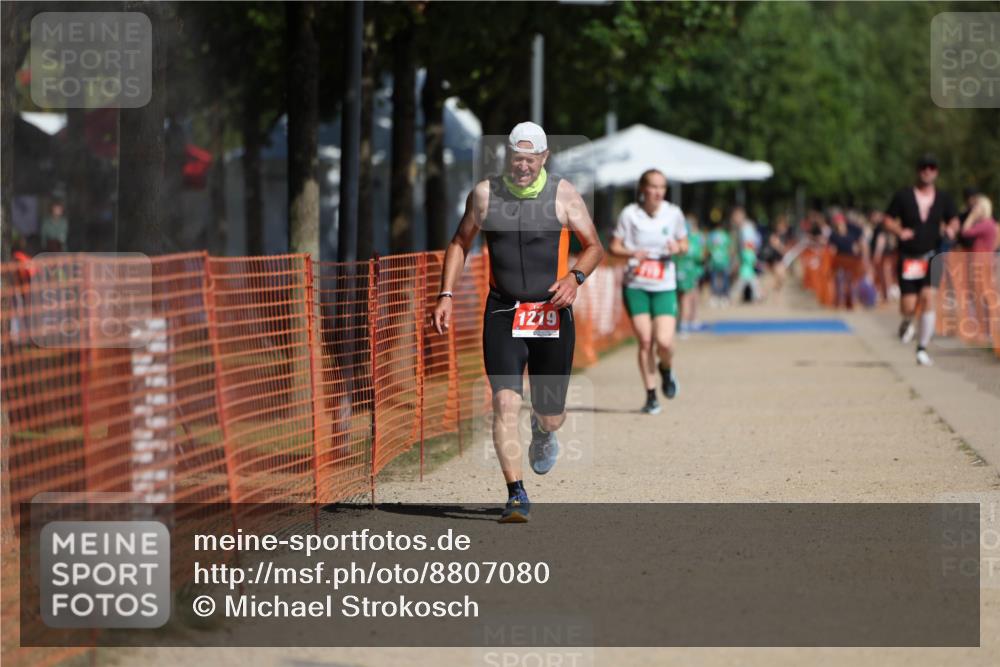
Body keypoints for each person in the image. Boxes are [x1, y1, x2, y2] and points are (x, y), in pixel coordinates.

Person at [432, 122, 604, 523]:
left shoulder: (563, 194)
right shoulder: (486, 195)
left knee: (551, 413)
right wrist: (445, 293)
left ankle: (543, 429)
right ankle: (516, 494)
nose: (523, 167)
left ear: (544, 157)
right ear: (507, 157)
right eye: (516, 159)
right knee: (503, 403)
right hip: (503, 311)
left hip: (550, 313)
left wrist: (574, 278)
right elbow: (460, 243)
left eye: (530, 159)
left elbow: (594, 246)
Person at [608, 169, 688, 415]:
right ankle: (651, 395)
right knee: (645, 340)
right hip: (636, 286)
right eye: (653, 187)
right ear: (643, 189)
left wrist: (677, 246)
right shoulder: (630, 215)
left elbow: (685, 245)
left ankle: (666, 368)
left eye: (662, 187)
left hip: (664, 286)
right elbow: (613, 247)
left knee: (664, 342)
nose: (657, 192)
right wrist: (632, 253)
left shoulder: (673, 214)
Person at [883, 154, 960, 366]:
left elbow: (953, 219)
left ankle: (922, 348)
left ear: (936, 172)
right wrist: (899, 231)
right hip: (909, 257)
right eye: (923, 167)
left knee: (928, 298)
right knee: (908, 306)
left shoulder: (944, 198)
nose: (927, 171)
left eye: (932, 167)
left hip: (933, 256)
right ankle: (907, 321)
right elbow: (887, 219)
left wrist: (953, 229)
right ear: (918, 170)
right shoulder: (903, 196)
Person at [677, 213, 707, 336]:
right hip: (687, 273)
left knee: (687, 298)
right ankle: (685, 323)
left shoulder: (688, 238)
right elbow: (700, 256)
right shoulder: (692, 239)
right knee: (686, 298)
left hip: (683, 272)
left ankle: (687, 321)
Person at [706, 220, 732, 306]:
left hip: (716, 261)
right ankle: (722, 297)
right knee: (722, 280)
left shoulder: (712, 235)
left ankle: (718, 296)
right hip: (720, 261)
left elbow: (708, 248)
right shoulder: (725, 235)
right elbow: (730, 248)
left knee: (717, 280)